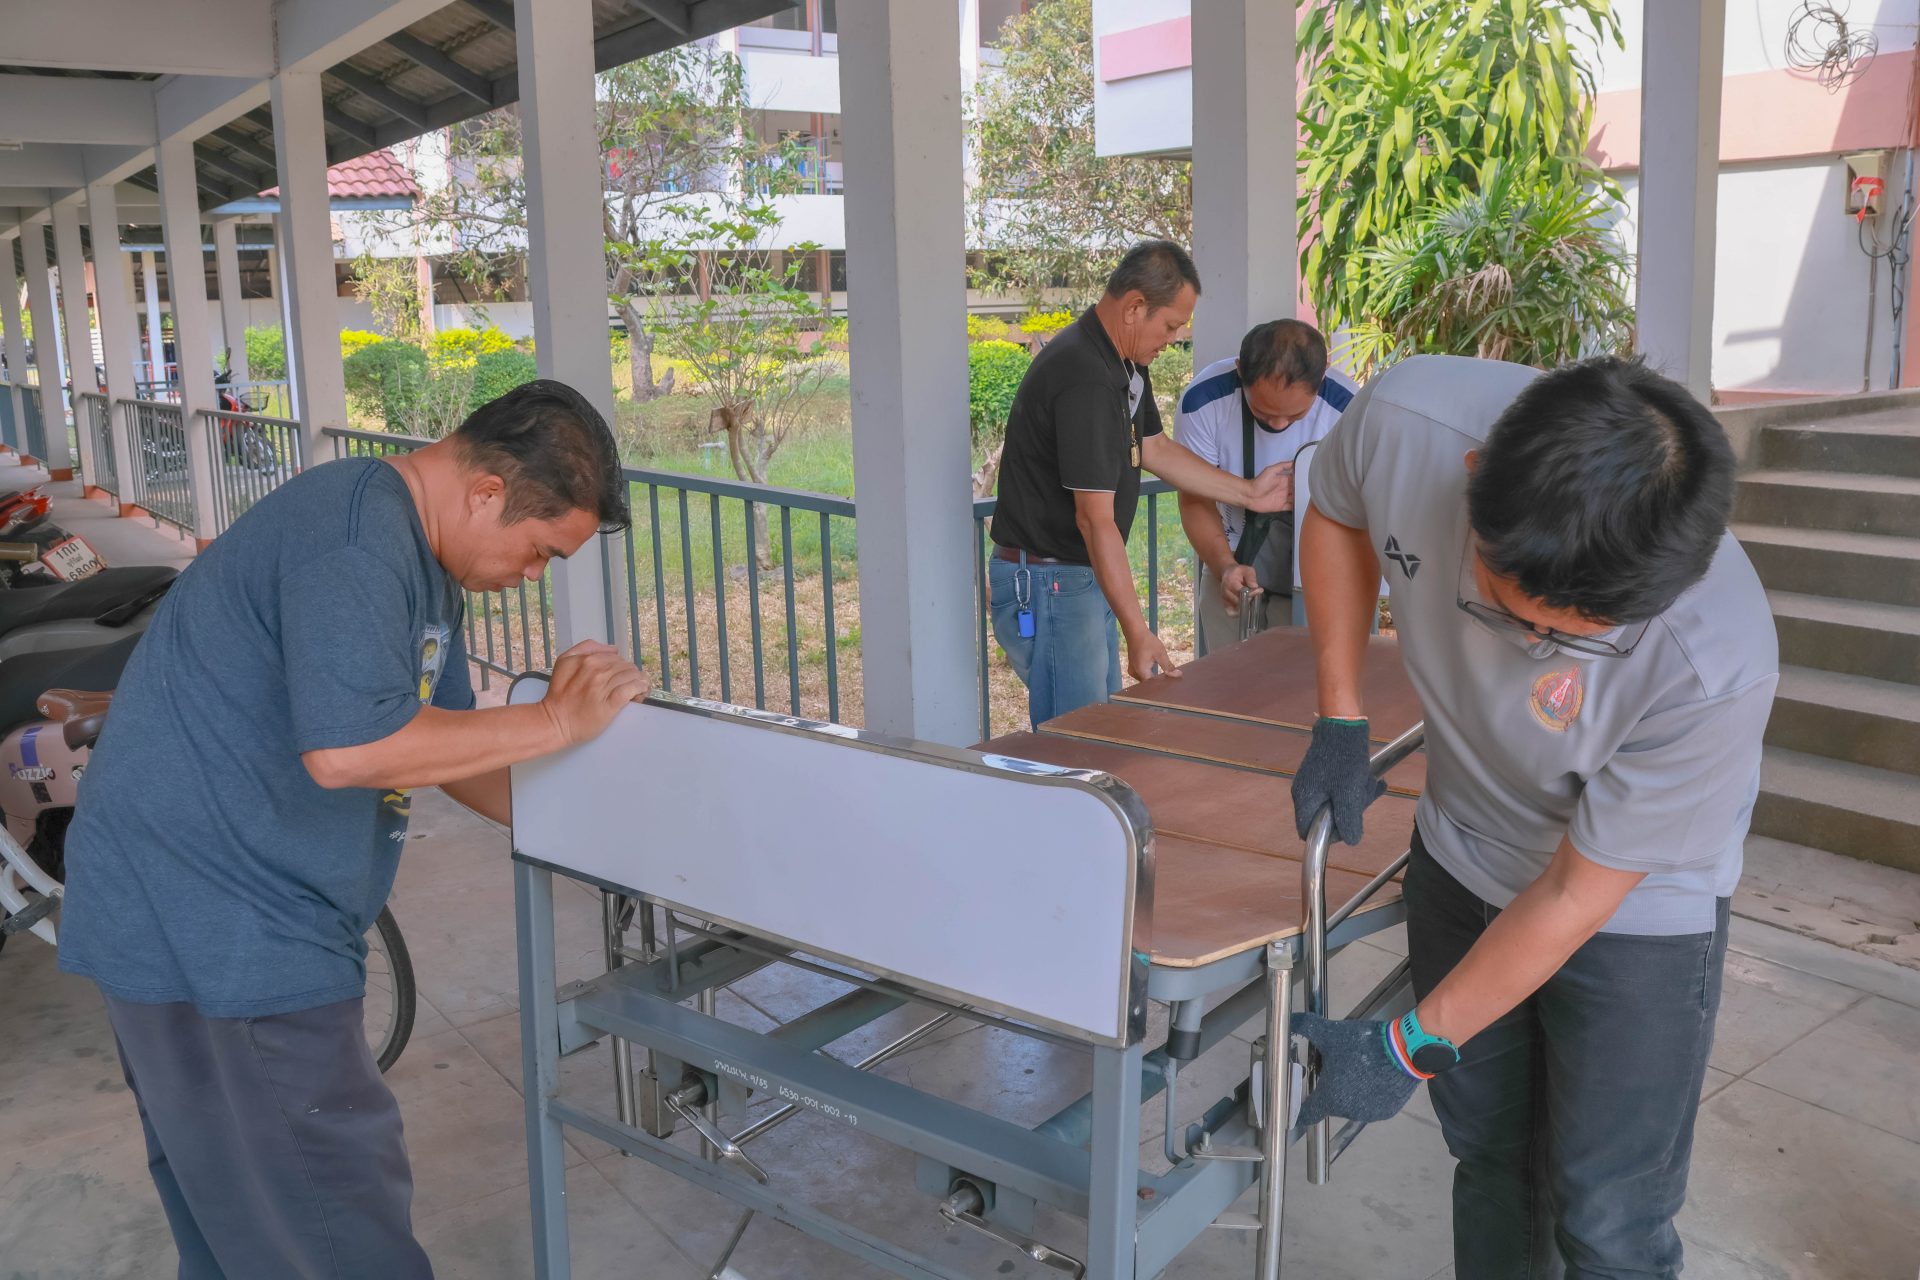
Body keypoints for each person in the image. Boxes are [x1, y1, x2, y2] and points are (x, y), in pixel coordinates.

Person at [58, 380, 649, 1279]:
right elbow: (351, 749)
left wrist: (606, 840)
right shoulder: (354, 539)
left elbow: (447, 749)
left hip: (209, 905)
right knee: (332, 1221)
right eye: (540, 552)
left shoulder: (420, 562)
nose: (533, 577)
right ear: (486, 491)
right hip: (220, 922)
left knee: (243, 1217)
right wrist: (557, 720)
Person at [1286, 354, 1777, 1278]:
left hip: (1634, 911)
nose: (1530, 653)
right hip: (1461, 850)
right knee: (1493, 1160)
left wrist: (1408, 1044)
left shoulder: (1715, 659)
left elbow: (1575, 894)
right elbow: (1337, 514)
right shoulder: (1407, 423)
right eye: (1515, 614)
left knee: (1609, 1214)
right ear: (1474, 482)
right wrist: (1340, 712)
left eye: (1562, 639)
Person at [989, 241, 1293, 727]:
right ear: (1134, 308)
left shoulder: (1124, 364)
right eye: (1170, 326)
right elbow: (1094, 520)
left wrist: (1249, 492)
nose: (1173, 339)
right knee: (1079, 741)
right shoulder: (1085, 375)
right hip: (1052, 581)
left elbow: (1155, 448)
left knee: (1098, 733)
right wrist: (1138, 630)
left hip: (1075, 576)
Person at [1175, 318, 1355, 652]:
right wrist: (1225, 567)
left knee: (1300, 681)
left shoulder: (1350, 409)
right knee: (1229, 677)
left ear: (1323, 377)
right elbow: (1195, 499)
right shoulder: (1204, 401)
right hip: (1227, 559)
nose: (1279, 424)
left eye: (1295, 415)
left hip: (1318, 575)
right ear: (1240, 370)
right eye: (1263, 411)